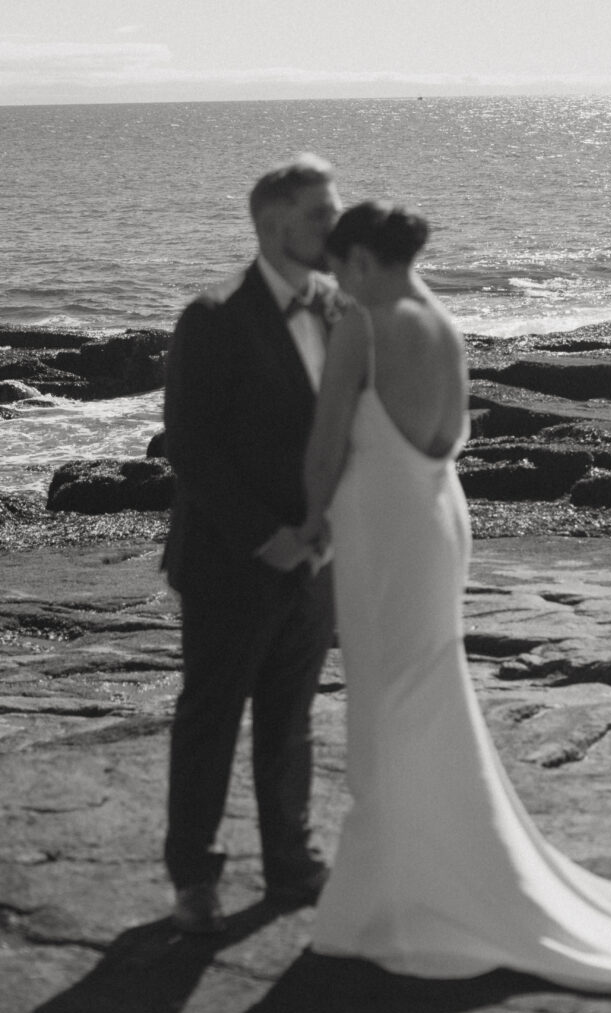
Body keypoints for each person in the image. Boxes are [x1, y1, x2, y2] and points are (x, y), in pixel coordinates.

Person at [297, 201, 611, 992]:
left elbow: (327, 436)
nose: (335, 280)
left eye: (338, 265)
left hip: (379, 525)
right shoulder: (438, 317)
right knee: (425, 687)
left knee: (387, 699)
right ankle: (425, 869)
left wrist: (306, 526)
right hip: (435, 516)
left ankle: (399, 898)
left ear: (361, 259)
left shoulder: (364, 324)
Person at [162, 154, 342, 932]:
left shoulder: (337, 309)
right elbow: (189, 448)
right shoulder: (212, 316)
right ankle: (194, 876)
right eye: (319, 215)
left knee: (290, 717)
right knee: (211, 717)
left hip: (318, 561)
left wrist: (332, 526)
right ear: (271, 227)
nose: (333, 227)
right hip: (231, 562)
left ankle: (289, 863)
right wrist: (264, 538)